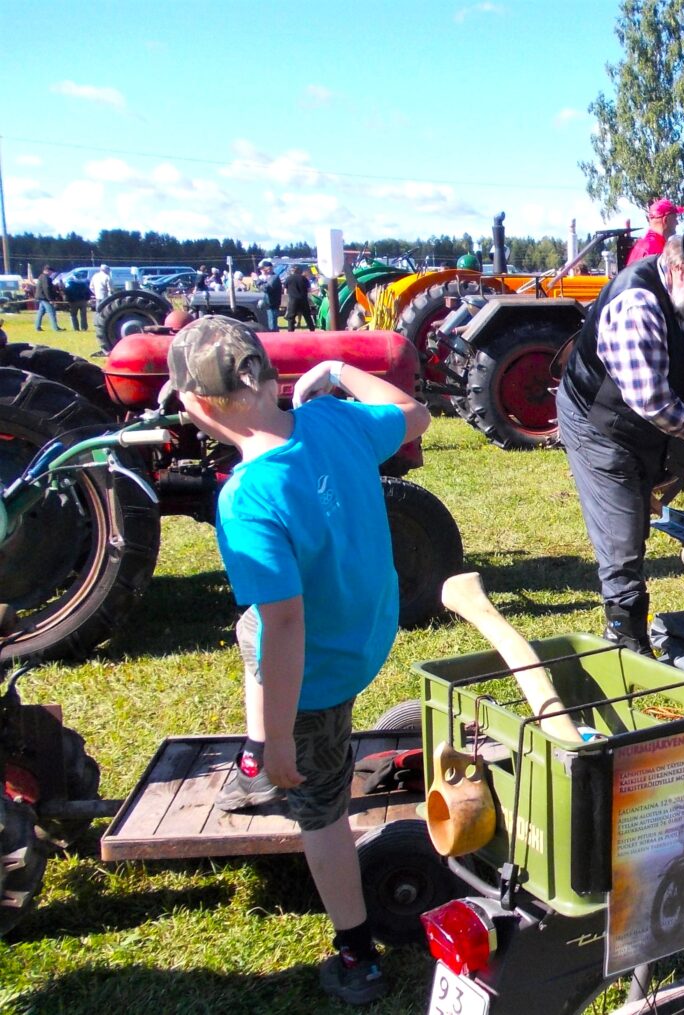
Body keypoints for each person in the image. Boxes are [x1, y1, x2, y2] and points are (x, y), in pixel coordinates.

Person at [168, 316, 430, 1004]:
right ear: (270, 373)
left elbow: (286, 622)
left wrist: (284, 732)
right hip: (369, 630)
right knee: (246, 628)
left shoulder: (245, 496)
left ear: (197, 404)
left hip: (319, 670)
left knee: (319, 808)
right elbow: (415, 414)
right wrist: (341, 370)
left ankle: (357, 953)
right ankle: (259, 752)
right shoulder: (334, 421)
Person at [557, 227, 684, 653]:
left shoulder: (681, 297)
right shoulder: (636, 305)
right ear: (678, 268)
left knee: (636, 514)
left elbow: (679, 349)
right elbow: (652, 402)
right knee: (622, 535)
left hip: (633, 420)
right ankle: (625, 638)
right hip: (598, 423)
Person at [626, 197, 684, 266]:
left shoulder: (641, 244)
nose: (677, 223)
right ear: (665, 220)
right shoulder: (657, 252)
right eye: (675, 218)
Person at [284, 264, 315, 329]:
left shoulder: (288, 279)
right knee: (307, 316)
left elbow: (285, 291)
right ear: (299, 271)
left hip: (293, 300)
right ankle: (312, 329)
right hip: (303, 300)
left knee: (291, 317)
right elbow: (309, 290)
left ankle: (290, 331)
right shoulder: (304, 279)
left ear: (292, 271)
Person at [33, 266, 60, 331]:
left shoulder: (41, 277)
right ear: (47, 271)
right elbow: (46, 289)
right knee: (51, 312)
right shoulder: (45, 278)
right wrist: (50, 299)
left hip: (41, 297)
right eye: (51, 272)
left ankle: (37, 326)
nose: (51, 274)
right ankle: (55, 328)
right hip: (45, 298)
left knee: (40, 313)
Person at [259, 260, 283, 332]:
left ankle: (275, 340)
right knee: (269, 325)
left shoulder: (274, 277)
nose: (261, 271)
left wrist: (257, 280)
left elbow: (266, 288)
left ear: (267, 269)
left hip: (272, 305)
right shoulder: (268, 278)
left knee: (272, 326)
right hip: (267, 304)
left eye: (262, 269)